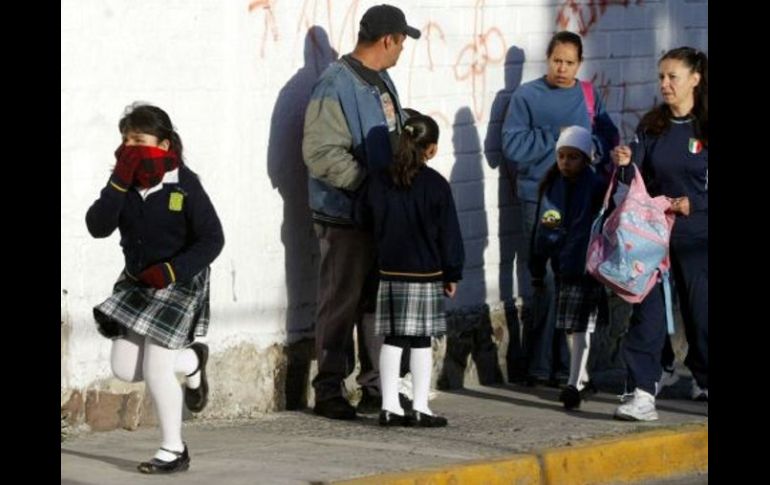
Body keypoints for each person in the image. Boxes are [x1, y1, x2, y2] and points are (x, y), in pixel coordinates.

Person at [86, 103, 225, 473]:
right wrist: (117, 182)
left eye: (140, 140)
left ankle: (173, 450)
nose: (131, 146)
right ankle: (194, 359)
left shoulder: (185, 183)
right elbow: (97, 226)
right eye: (126, 140)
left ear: (163, 145)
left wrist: (172, 270)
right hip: (138, 281)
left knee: (158, 368)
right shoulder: (124, 182)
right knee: (124, 367)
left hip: (178, 281)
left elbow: (213, 239)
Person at [302, 4, 421, 420]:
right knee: (340, 301)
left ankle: (377, 386)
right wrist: (367, 186)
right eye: (402, 41)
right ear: (388, 40)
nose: (403, 49)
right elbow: (320, 153)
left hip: (380, 214)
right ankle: (329, 388)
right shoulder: (335, 84)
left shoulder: (381, 80)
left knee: (375, 303)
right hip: (345, 216)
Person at [501, 31, 619, 387]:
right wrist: (558, 135)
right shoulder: (527, 96)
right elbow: (513, 147)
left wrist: (586, 146)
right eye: (557, 61)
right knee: (546, 278)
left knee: (570, 277)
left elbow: (606, 137)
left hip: (579, 199)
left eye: (569, 63)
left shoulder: (587, 94)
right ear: (547, 59)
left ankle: (564, 366)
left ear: (579, 64)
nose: (562, 69)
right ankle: (540, 364)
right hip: (540, 198)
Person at [612, 46, 707, 420]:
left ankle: (702, 377)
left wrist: (695, 203)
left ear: (695, 79)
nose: (665, 85)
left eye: (673, 77)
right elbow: (633, 178)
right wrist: (624, 162)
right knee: (647, 316)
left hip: (698, 238)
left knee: (701, 317)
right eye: (661, 77)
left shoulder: (704, 127)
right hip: (653, 239)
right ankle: (642, 394)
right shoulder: (653, 125)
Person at [355, 114, 464, 427]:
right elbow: (450, 233)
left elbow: (362, 217)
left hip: (389, 270)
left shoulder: (378, 180)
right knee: (420, 342)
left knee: (392, 339)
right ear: (431, 149)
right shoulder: (436, 185)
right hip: (426, 273)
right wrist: (452, 272)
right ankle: (419, 406)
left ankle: (389, 407)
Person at [529, 126, 606, 410]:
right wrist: (538, 265)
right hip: (562, 264)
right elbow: (543, 227)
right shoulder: (552, 186)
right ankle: (582, 377)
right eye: (561, 156)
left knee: (581, 324)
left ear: (585, 159)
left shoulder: (596, 186)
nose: (566, 163)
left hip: (586, 265)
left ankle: (573, 384)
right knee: (570, 326)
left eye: (573, 157)